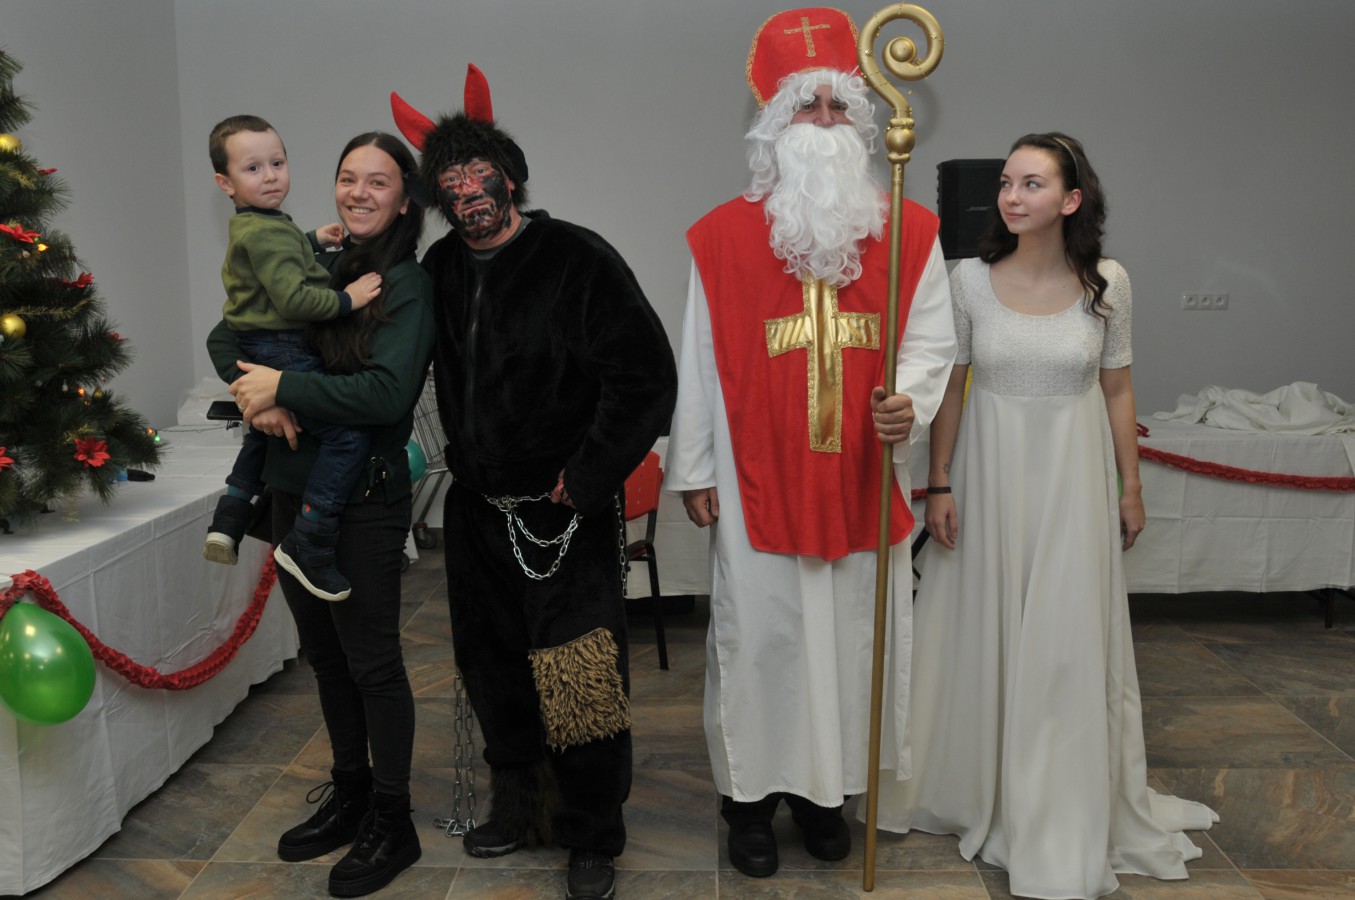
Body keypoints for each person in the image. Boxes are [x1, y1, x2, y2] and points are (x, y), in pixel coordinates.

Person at [874, 133, 1218, 898]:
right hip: (987, 476)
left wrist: (1130, 486)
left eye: (1030, 183)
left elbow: (1117, 389)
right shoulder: (968, 280)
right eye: (1005, 182)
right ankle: (976, 784)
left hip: (1072, 480)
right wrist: (938, 484)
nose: (1010, 196)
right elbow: (951, 388)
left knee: (1064, 639)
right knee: (983, 625)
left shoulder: (1108, 283)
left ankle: (1058, 802)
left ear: (1070, 199)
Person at [663, 7, 957, 880]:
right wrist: (695, 464)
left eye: (838, 106)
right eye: (806, 105)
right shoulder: (720, 236)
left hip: (863, 474)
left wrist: (909, 401)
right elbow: (700, 357)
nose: (824, 122)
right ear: (773, 124)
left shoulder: (910, 230)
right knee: (762, 643)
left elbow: (931, 342)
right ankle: (750, 804)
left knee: (848, 641)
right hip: (756, 477)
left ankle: (827, 797)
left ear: (861, 123)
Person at [391, 63, 676, 900]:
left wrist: (584, 479)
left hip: (565, 513)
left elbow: (644, 379)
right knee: (493, 668)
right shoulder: (441, 269)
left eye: (480, 179)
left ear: (510, 179)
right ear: (438, 200)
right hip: (478, 511)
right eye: (451, 188)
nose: (469, 198)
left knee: (578, 675)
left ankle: (591, 831)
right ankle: (518, 809)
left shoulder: (577, 258)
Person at [207, 131, 433, 898]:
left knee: (373, 665)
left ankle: (393, 819)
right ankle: (352, 792)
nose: (358, 192)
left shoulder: (406, 284)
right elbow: (225, 335)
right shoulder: (318, 264)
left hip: (362, 504)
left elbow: (385, 397)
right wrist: (257, 400)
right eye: (347, 177)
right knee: (326, 660)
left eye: (378, 181)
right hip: (291, 497)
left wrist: (285, 388)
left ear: (405, 200)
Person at [204, 114, 384, 604]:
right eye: (253, 168)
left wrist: (311, 240)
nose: (270, 176)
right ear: (225, 183)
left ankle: (229, 518)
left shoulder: (255, 225)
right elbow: (294, 299)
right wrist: (348, 299)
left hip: (255, 343)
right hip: (283, 345)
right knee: (348, 436)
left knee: (261, 435)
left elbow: (273, 257)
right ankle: (311, 539)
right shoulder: (268, 232)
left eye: (277, 163)